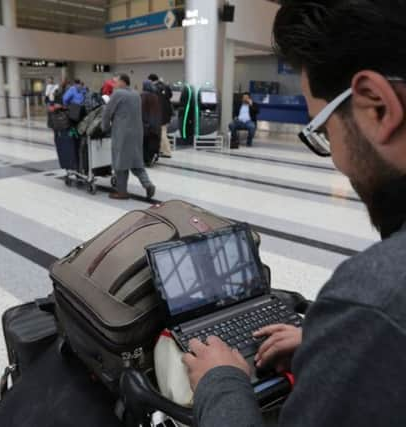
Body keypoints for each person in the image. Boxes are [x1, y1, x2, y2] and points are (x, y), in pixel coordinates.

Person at [182, 2, 406, 427]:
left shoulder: (374, 300)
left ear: (376, 105)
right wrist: (339, 342)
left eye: (321, 130)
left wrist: (222, 382)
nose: (335, 158)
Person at [101, 73, 156, 200]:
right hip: (137, 133)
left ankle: (122, 192)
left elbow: (107, 112)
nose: (115, 84)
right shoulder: (136, 94)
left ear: (123, 82)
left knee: (120, 163)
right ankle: (148, 184)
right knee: (136, 162)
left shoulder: (118, 94)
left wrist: (105, 128)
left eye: (117, 81)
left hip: (122, 133)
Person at [148, 74, 174, 158]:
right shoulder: (165, 86)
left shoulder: (154, 88)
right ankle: (162, 150)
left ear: (151, 80)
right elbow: (170, 96)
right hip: (167, 113)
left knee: (162, 133)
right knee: (163, 131)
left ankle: (167, 152)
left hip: (160, 114)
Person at [140, 80, 162, 166]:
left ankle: (146, 160)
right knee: (152, 142)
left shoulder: (143, 96)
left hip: (145, 124)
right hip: (155, 125)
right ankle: (151, 158)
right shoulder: (155, 97)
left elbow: (141, 111)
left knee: (144, 143)